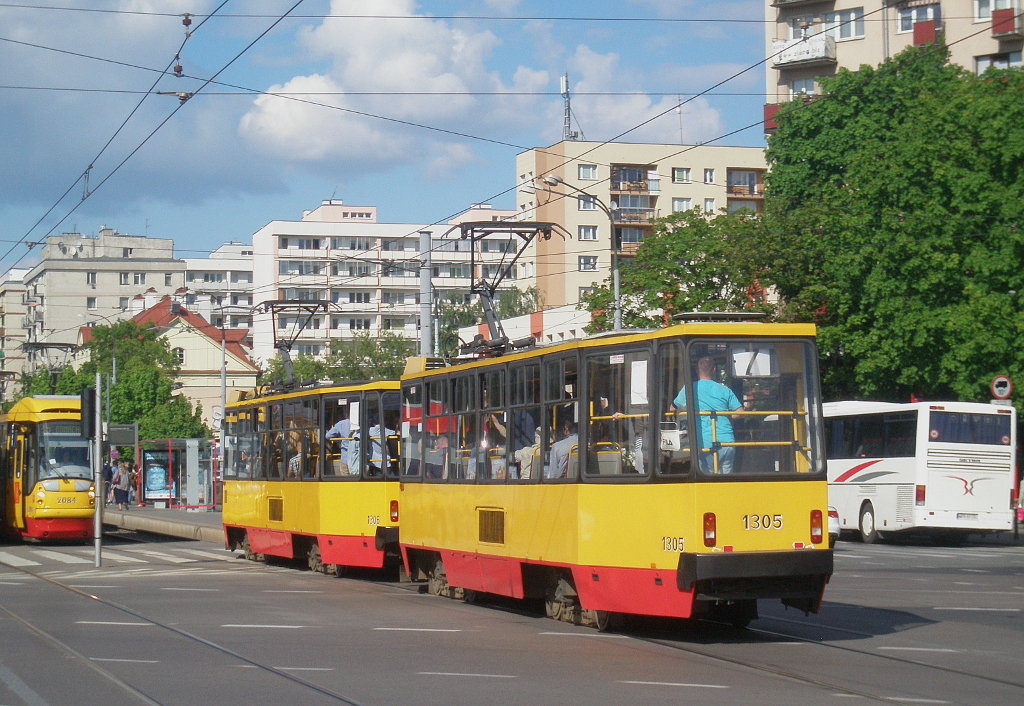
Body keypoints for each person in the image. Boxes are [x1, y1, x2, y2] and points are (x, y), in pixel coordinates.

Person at [672, 355, 742, 474]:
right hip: (727, 442)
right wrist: (726, 416)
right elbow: (740, 413)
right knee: (726, 481)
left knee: (708, 481)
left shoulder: (689, 389)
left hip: (706, 443)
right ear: (714, 370)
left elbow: (672, 408)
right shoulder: (724, 390)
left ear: (696, 370)